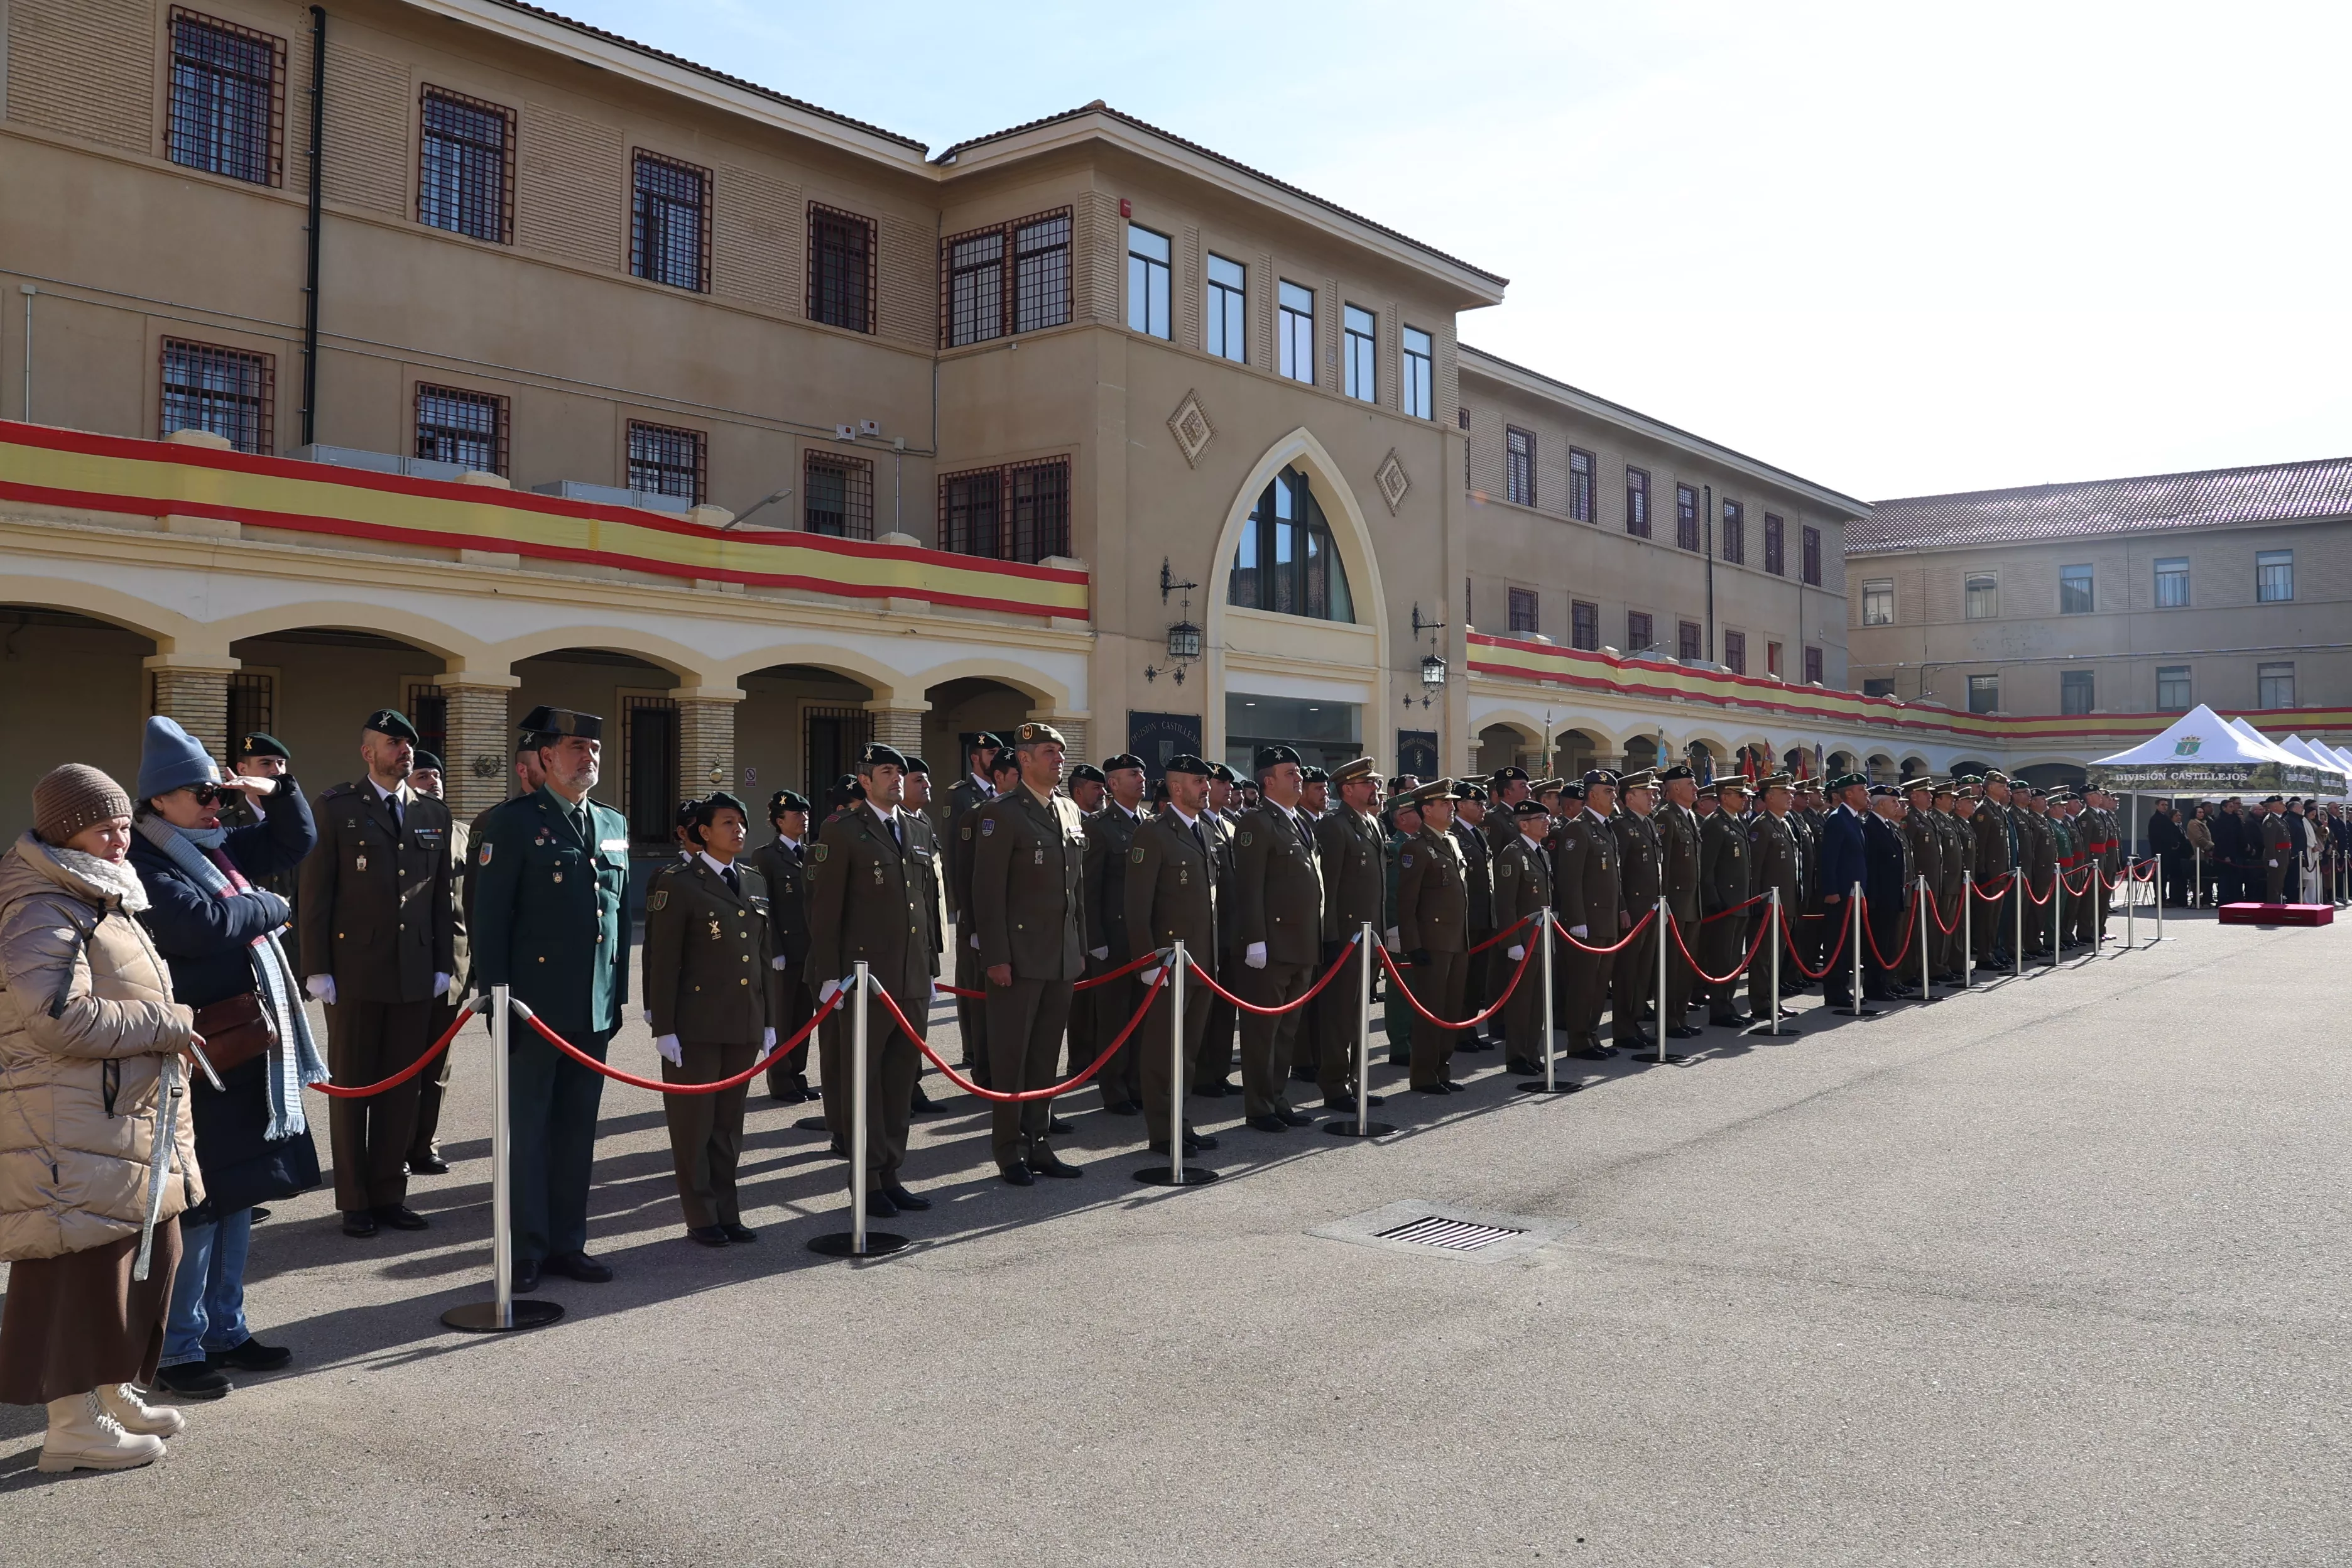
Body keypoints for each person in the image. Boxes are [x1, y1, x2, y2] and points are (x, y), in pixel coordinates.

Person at [1, 765, 204, 1471]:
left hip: (114, 1113)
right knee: (78, 1269)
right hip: (65, 1118)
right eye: (103, 827)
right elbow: (56, 1016)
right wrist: (166, 1024)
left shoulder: (91, 889)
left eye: (123, 825)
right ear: (65, 833)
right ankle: (71, 1426)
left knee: (146, 1252)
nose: (120, 840)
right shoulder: (41, 904)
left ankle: (110, 1390)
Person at [126, 716, 320, 1400]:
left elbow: (295, 839)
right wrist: (270, 907)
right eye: (202, 795)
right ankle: (179, 1348)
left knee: (240, 1193)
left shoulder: (214, 847)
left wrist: (278, 785)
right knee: (201, 1206)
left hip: (243, 1050)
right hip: (197, 1055)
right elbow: (199, 926)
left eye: (218, 793)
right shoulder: (146, 861)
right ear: (160, 801)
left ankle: (226, 1331)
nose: (216, 806)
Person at [470, 707, 631, 1291]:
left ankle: (569, 1243)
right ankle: (526, 1249)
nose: (588, 757)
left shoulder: (612, 822)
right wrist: (495, 1003)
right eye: (575, 748)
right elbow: (489, 921)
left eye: (594, 747)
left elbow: (616, 922)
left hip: (592, 1009)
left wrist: (617, 1001)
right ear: (544, 758)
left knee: (576, 1133)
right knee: (529, 1136)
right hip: (531, 1010)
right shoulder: (514, 824)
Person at [299, 709, 456, 1239]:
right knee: (355, 1086)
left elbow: (439, 899)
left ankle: (391, 1192)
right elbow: (315, 895)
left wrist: (442, 965)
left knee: (402, 1089)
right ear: (369, 753)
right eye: (394, 743)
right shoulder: (338, 807)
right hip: (355, 971)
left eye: (409, 744)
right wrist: (317, 968)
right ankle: (355, 1200)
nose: (404, 751)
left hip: (414, 971)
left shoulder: (432, 812)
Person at [805, 743, 940, 1217]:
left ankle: (891, 1173)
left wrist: (931, 969)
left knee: (901, 1082)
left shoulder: (919, 826)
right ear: (865, 781)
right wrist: (828, 977)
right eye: (887, 771)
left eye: (901, 772)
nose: (897, 780)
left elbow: (925, 906)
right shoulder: (842, 829)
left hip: (911, 978)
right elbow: (825, 911)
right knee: (864, 1082)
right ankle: (865, 1179)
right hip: (865, 979)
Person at [643, 793, 780, 1245]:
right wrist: (663, 1026)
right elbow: (663, 961)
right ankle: (701, 1216)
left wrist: (769, 1019)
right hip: (695, 1025)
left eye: (742, 822)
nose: (739, 830)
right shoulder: (678, 881)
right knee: (693, 1124)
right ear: (704, 833)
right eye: (727, 823)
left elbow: (763, 957)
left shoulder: (754, 881)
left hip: (742, 1022)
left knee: (728, 1125)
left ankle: (728, 1210)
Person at [969, 724, 1089, 1184]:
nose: (1058, 760)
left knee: (1045, 1057)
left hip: (1060, 955)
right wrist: (995, 956)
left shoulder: (1069, 810)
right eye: (1047, 752)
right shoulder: (1001, 814)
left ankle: (1039, 1142)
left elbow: (1076, 890)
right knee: (1011, 1056)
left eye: (1060, 752)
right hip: (1017, 958)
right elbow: (987, 893)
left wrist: (1078, 947)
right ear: (1023, 760)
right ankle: (1008, 1150)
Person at [1122, 754, 1223, 1157]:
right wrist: (1148, 963)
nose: (1206, 788)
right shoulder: (1154, 834)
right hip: (1167, 962)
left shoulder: (1205, 831)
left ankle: (1181, 1122)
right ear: (1177, 788)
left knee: (1188, 1051)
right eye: (1199, 782)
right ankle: (1163, 1131)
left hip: (1201, 962)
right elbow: (1136, 906)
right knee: (1163, 1051)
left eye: (1207, 782)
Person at [1232, 745, 1326, 1128]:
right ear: (1268, 781)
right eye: (1290, 773)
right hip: (1271, 946)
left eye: (1298, 771)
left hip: (1302, 944)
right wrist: (1255, 939)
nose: (1298, 777)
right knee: (1262, 1032)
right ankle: (1259, 1106)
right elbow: (1249, 887)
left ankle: (1277, 1097)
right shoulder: (1257, 822)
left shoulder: (1298, 820)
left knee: (1287, 1031)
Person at [403, 751, 467, 1177]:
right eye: (423, 774)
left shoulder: (462, 833)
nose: (434, 780)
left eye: (438, 774)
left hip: (455, 967)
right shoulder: (396, 828)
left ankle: (424, 1145)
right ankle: (394, 1147)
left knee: (438, 1067)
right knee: (402, 1064)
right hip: (409, 963)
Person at [1312, 757, 1388, 1108]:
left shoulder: (1372, 823)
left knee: (1360, 1014)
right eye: (1367, 783)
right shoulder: (1335, 825)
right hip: (1345, 938)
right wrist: (1330, 938)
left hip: (1369, 938)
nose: (1375, 788)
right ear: (1347, 790)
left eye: (1374, 782)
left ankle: (1357, 1080)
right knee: (1340, 1015)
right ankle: (1334, 1084)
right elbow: (1330, 888)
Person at [1078, 753, 1147, 1114]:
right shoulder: (1100, 826)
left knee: (1143, 1015)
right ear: (1113, 784)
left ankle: (1136, 1082)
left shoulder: (1150, 823)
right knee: (1115, 1017)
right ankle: (1114, 1090)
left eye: (1142, 773)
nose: (1141, 779)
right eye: (1132, 775)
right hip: (1114, 939)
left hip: (1144, 940)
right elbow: (1088, 888)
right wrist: (1096, 939)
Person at [1395, 779, 1472, 1094]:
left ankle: (1442, 1067)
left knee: (1452, 1009)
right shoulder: (1415, 847)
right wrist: (1413, 945)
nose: (1452, 808)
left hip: (1456, 940)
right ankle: (1424, 1074)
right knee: (1431, 1011)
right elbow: (1406, 902)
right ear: (1427, 809)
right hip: (1432, 942)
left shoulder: (1451, 842)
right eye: (1446, 804)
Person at [746, 790, 816, 1105]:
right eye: (796, 814)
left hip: (809, 950)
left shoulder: (812, 853)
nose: (803, 818)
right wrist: (773, 948)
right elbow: (764, 906)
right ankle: (780, 1080)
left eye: (805, 813)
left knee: (804, 1017)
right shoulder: (766, 857)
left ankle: (798, 1075)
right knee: (784, 1017)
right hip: (784, 952)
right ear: (779, 821)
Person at [942, 732, 1003, 1081]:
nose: (994, 757)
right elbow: (954, 853)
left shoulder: (1006, 792)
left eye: (997, 751)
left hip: (992, 897)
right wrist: (960, 905)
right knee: (969, 975)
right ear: (975, 758)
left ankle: (987, 1043)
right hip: (969, 899)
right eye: (989, 752)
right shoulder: (960, 795)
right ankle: (970, 1046)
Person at [1553, 770, 1621, 1057]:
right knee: (1584, 984)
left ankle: (1592, 1035)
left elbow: (1613, 877)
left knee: (1598, 984)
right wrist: (1577, 920)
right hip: (1588, 922)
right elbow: (1570, 880)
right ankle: (1579, 1040)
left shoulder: (1605, 827)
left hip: (1607, 919)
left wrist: (1624, 909)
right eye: (1608, 791)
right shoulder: (1578, 829)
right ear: (1592, 795)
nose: (1614, 796)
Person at [1493, 797, 1557, 1075]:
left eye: (1547, 818)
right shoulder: (1512, 853)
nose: (1547, 822)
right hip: (1523, 941)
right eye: (1540, 819)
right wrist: (1512, 942)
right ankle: (1517, 1056)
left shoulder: (1541, 852)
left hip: (1541, 938)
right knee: (1521, 1002)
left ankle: (1532, 1051)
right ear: (1523, 824)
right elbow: (1505, 904)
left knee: (1538, 1002)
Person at [1696, 778, 1755, 1026]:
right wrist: (1714, 900)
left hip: (1739, 902)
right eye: (1740, 795)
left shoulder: (1736, 822)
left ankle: (1728, 1006)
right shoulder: (1715, 824)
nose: (1745, 799)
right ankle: (1720, 1010)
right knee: (1722, 960)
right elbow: (1706, 869)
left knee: (1733, 960)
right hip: (1724, 905)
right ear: (1725, 796)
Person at [1609, 770, 1662, 1051]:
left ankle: (1634, 1021)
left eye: (1653, 792)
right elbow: (1617, 873)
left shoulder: (1648, 824)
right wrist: (1623, 908)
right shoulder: (1622, 825)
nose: (1653, 796)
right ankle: (1623, 1028)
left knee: (1643, 971)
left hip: (1651, 908)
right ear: (1630, 797)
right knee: (1627, 972)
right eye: (1647, 793)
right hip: (1633, 911)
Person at [1746, 775, 1804, 1020]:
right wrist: (1759, 901)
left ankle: (1773, 1000)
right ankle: (1761, 1003)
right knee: (1764, 957)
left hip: (1786, 902)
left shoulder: (1784, 823)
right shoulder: (1761, 826)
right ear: (1769, 796)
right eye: (1785, 793)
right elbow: (1755, 869)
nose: (1791, 796)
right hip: (1769, 904)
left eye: (1791, 793)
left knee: (1777, 956)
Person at [1817, 772, 1875, 1016]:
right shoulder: (1837, 819)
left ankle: (1844, 988)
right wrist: (1830, 891)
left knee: (1850, 943)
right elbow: (1828, 860)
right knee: (1838, 944)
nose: (1867, 793)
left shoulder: (1854, 819)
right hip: (1841, 894)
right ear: (1849, 794)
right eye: (1862, 789)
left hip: (1855, 894)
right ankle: (1835, 990)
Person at [1655, 765, 1704, 1038]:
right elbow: (1664, 866)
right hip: (1675, 904)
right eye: (1690, 784)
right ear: (1674, 788)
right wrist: (1665, 903)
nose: (1695, 789)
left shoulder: (1689, 817)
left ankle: (1680, 1015)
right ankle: (1669, 1019)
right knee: (1672, 966)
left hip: (1691, 903)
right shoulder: (1666, 817)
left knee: (1686, 965)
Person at [1450, 783, 1497, 1052]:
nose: (1483, 809)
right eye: (1476, 804)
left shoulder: (1478, 833)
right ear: (1461, 806)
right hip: (1467, 918)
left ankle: (1469, 1029)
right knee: (1463, 979)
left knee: (1477, 979)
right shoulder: (1454, 833)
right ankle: (1458, 1031)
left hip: (1483, 916)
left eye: (1483, 804)